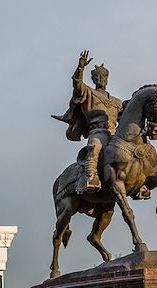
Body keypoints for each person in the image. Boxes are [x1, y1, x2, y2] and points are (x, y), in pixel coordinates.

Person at [52, 50, 122, 192]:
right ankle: (90, 177)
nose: (100, 79)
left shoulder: (116, 102)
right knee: (94, 147)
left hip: (115, 134)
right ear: (93, 79)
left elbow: (126, 117)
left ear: (107, 79)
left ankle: (140, 183)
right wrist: (81, 68)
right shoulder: (88, 93)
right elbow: (77, 84)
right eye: (97, 77)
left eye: (103, 77)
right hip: (98, 132)